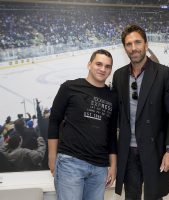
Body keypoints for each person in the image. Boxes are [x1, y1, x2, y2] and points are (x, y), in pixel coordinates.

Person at [112, 24, 169, 200]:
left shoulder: (164, 73)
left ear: (146, 44)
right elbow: (115, 117)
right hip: (128, 152)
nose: (133, 48)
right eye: (129, 44)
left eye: (137, 42)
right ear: (125, 48)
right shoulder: (119, 76)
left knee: (154, 196)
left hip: (155, 151)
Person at [48, 49, 118, 200]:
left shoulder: (112, 96)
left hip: (99, 168)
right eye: (99, 64)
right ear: (89, 65)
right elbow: (54, 122)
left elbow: (111, 133)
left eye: (107, 66)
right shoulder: (70, 87)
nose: (103, 69)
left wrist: (113, 165)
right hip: (71, 163)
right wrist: (52, 156)